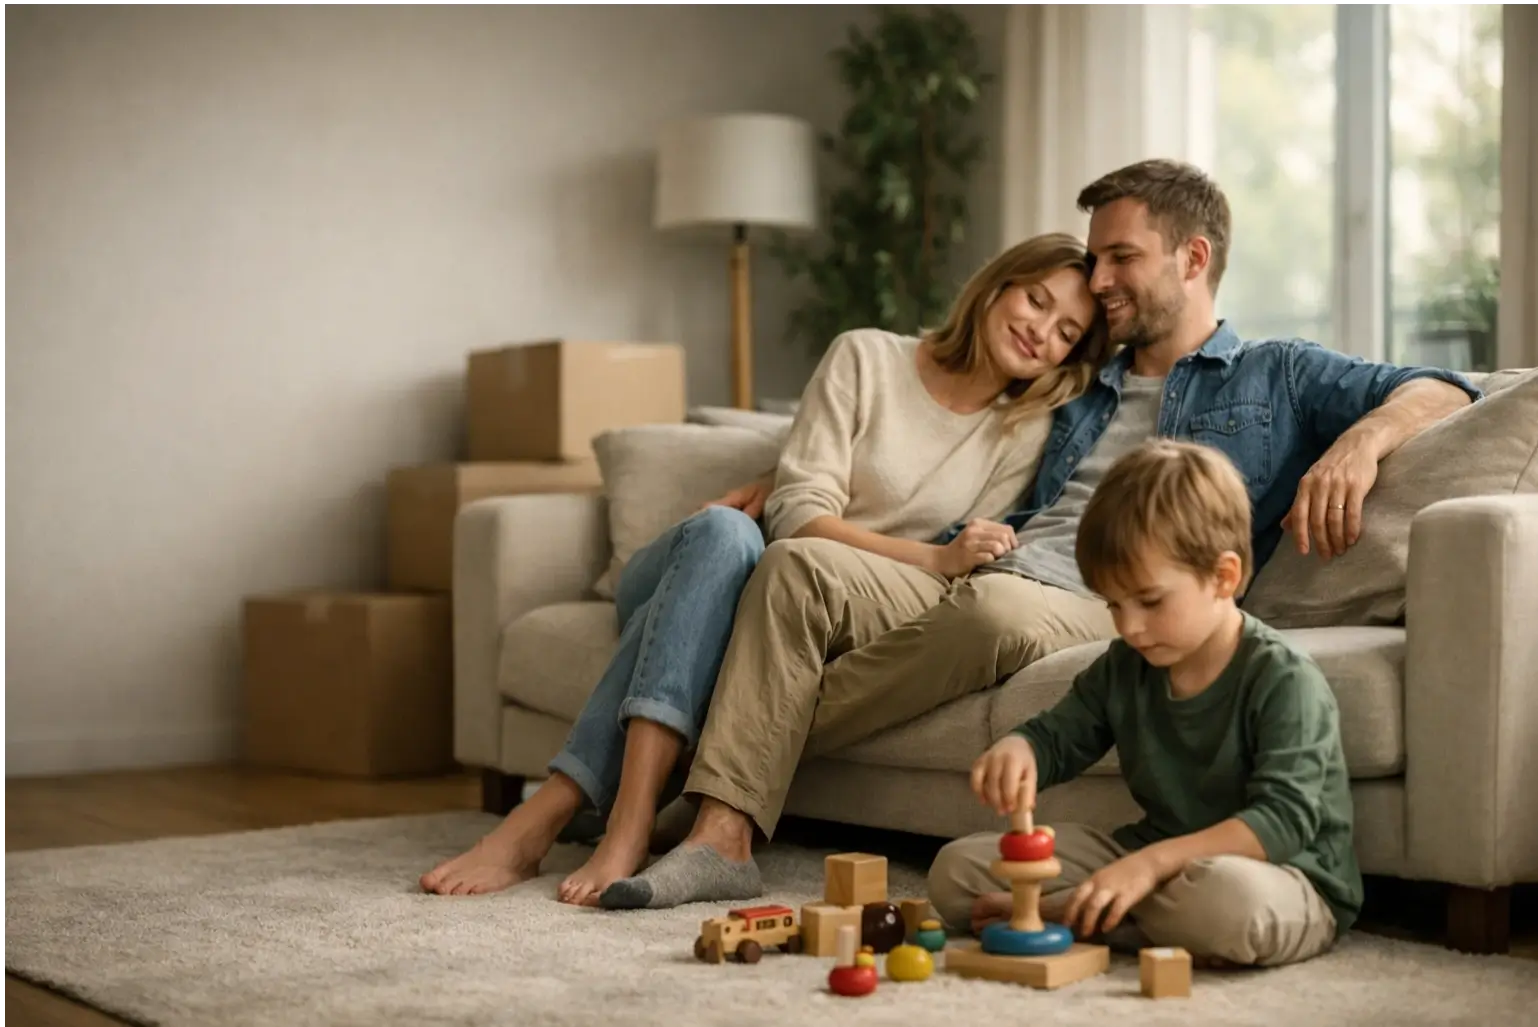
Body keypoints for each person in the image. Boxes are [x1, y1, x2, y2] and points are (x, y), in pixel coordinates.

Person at [605, 157, 1478, 911]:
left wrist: (1359, 444)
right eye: (1093, 259)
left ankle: (700, 756)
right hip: (986, 559)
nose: (1096, 282)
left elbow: (1444, 387)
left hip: (1100, 595)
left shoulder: (1276, 372)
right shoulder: (1075, 374)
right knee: (796, 569)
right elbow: (936, 419)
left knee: (994, 616)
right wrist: (781, 479)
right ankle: (723, 836)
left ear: (1195, 257)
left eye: (1120, 258)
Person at [421, 232, 1112, 901]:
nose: (1041, 331)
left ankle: (545, 816)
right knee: (726, 532)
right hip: (691, 578)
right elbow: (796, 517)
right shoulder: (867, 357)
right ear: (998, 284)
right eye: (1036, 300)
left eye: (1067, 332)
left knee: (763, 568)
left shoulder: (1023, 431)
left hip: (778, 614)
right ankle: (629, 826)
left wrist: (917, 559)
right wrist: (924, 553)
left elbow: (943, 562)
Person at [929, 438, 1362, 968]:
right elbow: (1058, 737)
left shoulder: (1282, 679)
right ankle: (1106, 911)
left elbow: (1283, 822)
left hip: (1281, 877)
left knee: (1229, 905)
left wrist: (1148, 867)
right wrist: (1021, 749)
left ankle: (1069, 912)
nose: (1129, 626)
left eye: (1151, 601)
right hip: (1155, 861)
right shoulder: (1125, 665)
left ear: (1223, 577)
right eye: (1114, 603)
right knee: (954, 873)